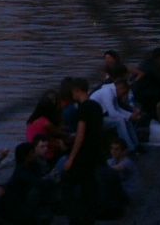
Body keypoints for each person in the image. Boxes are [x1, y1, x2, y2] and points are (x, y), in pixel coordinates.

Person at [62, 79, 104, 225]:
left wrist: (71, 158)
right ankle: (89, 215)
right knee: (89, 184)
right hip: (95, 151)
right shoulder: (96, 106)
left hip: (83, 153)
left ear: (77, 91)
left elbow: (80, 135)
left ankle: (75, 217)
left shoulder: (83, 109)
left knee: (67, 183)